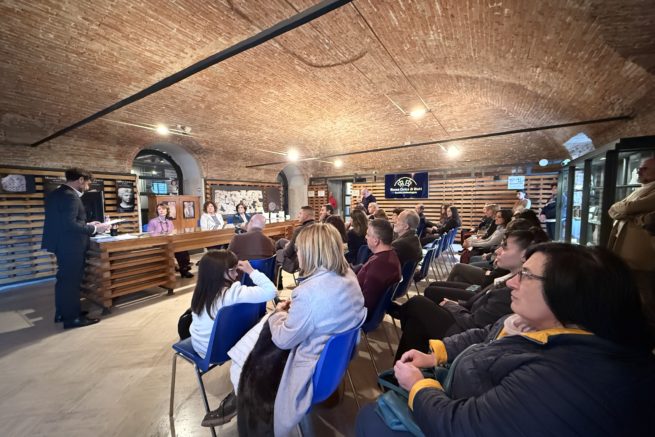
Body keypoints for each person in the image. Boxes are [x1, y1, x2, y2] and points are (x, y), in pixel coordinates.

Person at [357, 243, 655, 436]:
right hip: (454, 387)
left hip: (448, 411)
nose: (511, 281)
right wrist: (437, 354)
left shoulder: (563, 378)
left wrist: (418, 386)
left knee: (371, 418)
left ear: (568, 294)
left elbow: (461, 426)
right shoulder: (535, 326)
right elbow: (485, 332)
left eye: (526, 275)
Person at [205, 224, 366, 434]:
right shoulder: (349, 276)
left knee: (243, 359)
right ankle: (237, 397)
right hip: (334, 358)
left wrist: (277, 315)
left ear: (312, 252)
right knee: (254, 340)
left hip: (309, 365)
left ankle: (241, 399)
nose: (297, 254)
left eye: (299, 250)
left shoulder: (309, 292)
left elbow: (283, 339)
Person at [392, 227, 548, 361]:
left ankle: (400, 313)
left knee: (418, 302)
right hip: (468, 313)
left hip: (464, 332)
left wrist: (453, 306)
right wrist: (457, 305)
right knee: (416, 322)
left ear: (524, 255)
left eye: (505, 247)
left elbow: (475, 324)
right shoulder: (509, 278)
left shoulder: (511, 291)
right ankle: (402, 369)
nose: (498, 250)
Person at [42, 168, 110, 329]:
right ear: (80, 180)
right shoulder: (70, 196)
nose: (87, 186)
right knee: (71, 283)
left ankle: (62, 313)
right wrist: (95, 228)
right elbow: (70, 225)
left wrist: (87, 224)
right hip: (71, 245)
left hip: (62, 244)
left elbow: (64, 221)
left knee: (64, 281)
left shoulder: (57, 193)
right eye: (87, 183)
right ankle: (72, 319)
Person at [190, 250, 277, 359]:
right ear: (220, 272)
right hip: (224, 349)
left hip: (200, 346)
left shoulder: (200, 292)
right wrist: (251, 271)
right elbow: (271, 291)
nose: (236, 274)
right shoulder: (233, 294)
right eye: (233, 270)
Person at [608, 157, 655, 325]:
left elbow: (627, 208)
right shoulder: (641, 190)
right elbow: (613, 210)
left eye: (645, 168)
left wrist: (628, 212)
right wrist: (631, 214)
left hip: (643, 258)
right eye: (639, 168)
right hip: (626, 255)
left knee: (646, 296)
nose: (639, 171)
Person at [357, 219, 401, 319]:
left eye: (368, 234)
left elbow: (366, 304)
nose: (365, 237)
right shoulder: (389, 255)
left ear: (376, 241)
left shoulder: (380, 266)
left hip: (360, 313)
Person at [147, 203, 193, 278]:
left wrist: (171, 234)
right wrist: (162, 234)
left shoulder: (169, 221)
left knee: (182, 249)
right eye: (159, 209)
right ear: (157, 211)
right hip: (159, 244)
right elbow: (150, 234)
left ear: (167, 210)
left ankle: (184, 269)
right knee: (172, 249)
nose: (161, 210)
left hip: (169, 243)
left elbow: (171, 233)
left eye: (163, 209)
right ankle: (174, 268)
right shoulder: (153, 221)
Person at [275, 205, 315, 277]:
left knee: (277, 253)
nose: (298, 216)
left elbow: (288, 253)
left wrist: (286, 248)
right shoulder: (317, 227)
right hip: (313, 257)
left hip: (299, 260)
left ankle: (277, 280)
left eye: (300, 213)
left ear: (307, 216)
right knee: (281, 241)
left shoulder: (299, 230)